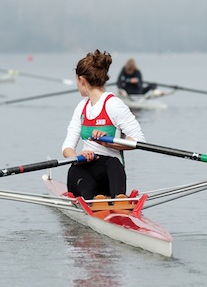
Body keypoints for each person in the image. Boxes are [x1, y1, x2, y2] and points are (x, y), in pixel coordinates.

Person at [62, 50, 146, 201]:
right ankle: (96, 200)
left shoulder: (113, 105)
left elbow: (139, 141)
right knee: (74, 170)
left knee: (113, 163)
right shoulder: (81, 108)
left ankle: (118, 199)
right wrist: (78, 157)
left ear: (81, 80)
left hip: (110, 175)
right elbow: (67, 148)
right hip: (86, 170)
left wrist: (110, 143)